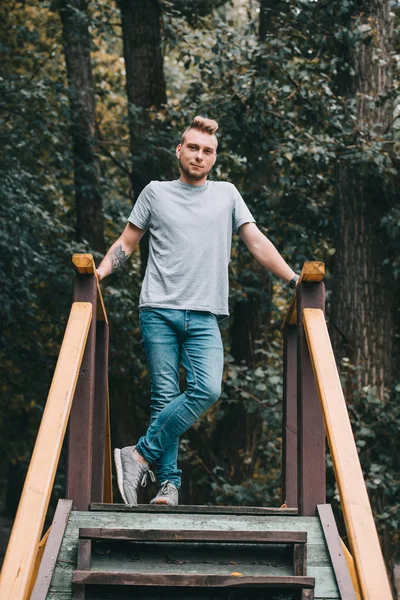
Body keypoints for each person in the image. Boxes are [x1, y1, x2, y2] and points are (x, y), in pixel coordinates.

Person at [96, 116, 299, 507]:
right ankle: (168, 486)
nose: (199, 155)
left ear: (215, 158)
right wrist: (99, 274)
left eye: (207, 151)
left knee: (207, 388)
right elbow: (127, 242)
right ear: (179, 150)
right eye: (193, 147)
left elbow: (255, 241)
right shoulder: (155, 193)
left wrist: (293, 279)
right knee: (164, 396)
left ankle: (137, 455)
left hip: (205, 314)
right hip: (158, 308)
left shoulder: (227, 195)